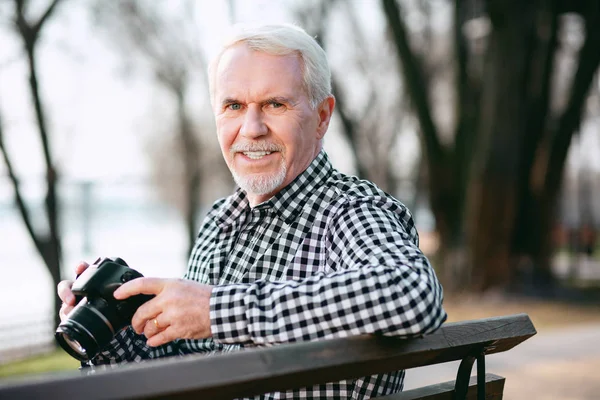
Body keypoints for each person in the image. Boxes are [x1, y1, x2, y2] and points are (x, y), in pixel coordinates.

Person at [57, 23, 447, 399]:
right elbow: (195, 366)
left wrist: (213, 309)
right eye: (233, 106)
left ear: (322, 117)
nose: (251, 128)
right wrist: (111, 333)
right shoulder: (219, 223)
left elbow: (411, 294)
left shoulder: (349, 210)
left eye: (275, 104)